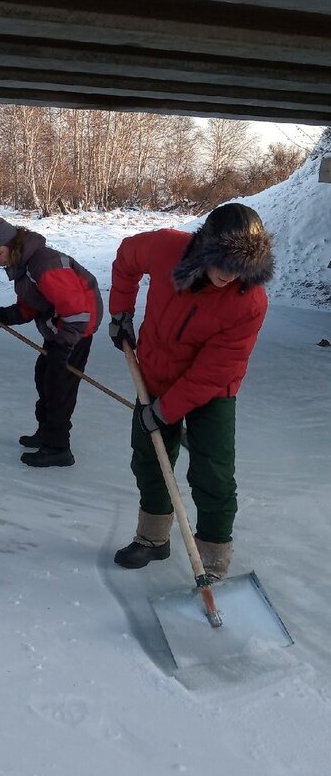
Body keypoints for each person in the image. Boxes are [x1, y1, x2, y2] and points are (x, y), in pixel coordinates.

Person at [109, 202, 274, 581]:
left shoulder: (249, 301)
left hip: (213, 390)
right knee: (149, 458)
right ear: (204, 249)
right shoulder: (165, 247)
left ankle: (212, 564)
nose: (231, 276)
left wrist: (166, 412)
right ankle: (153, 539)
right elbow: (125, 260)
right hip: (153, 370)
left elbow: (215, 369)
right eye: (224, 264)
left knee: (212, 472)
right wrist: (121, 312)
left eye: (242, 269)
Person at [0, 216, 103, 467]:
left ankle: (58, 447)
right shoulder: (23, 265)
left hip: (76, 330)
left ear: (12, 244)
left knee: (59, 385)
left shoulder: (43, 264)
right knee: (43, 375)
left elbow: (76, 310)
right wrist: (2, 316)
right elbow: (32, 305)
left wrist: (63, 345)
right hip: (60, 330)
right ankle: (47, 432)